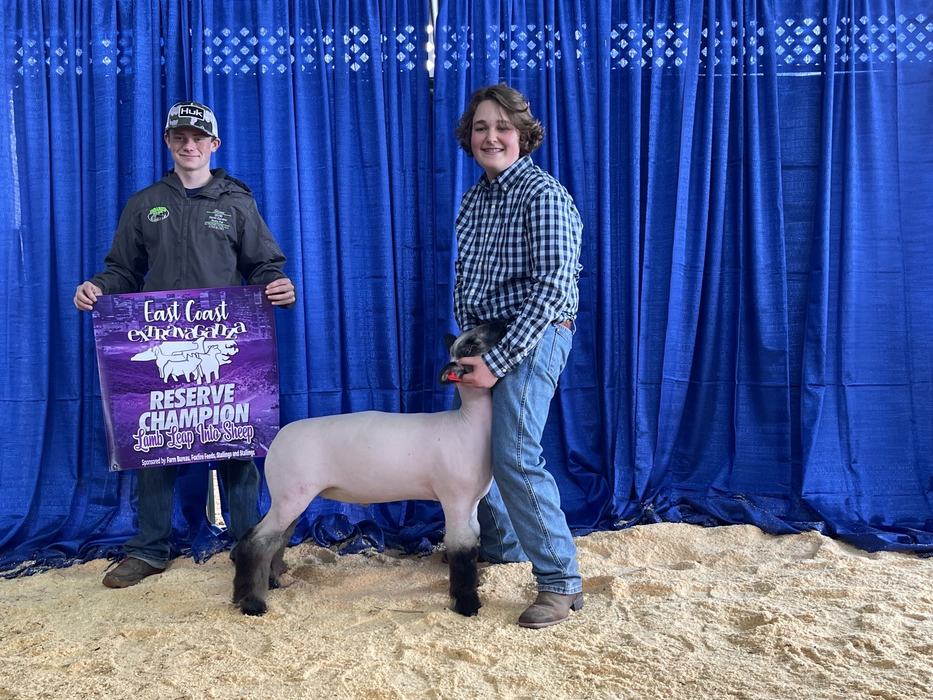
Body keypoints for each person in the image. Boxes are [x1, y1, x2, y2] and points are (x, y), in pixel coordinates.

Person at [74, 101, 296, 589]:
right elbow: (122, 270)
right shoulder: (145, 203)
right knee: (154, 442)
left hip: (224, 341)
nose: (189, 144)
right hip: (162, 343)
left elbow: (264, 265)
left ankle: (250, 547)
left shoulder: (237, 202)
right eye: (179, 137)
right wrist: (98, 287)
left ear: (214, 145)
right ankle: (149, 549)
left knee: (237, 444)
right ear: (169, 143)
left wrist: (278, 284)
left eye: (198, 137)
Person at [452, 84, 584, 628]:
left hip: (537, 330)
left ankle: (559, 582)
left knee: (516, 452)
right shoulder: (474, 199)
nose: (491, 137)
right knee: (484, 445)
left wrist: (498, 360)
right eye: (481, 127)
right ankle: (505, 547)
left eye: (503, 127)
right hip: (487, 334)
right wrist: (470, 346)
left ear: (524, 136)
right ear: (470, 137)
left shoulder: (543, 195)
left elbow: (552, 288)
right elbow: (467, 280)